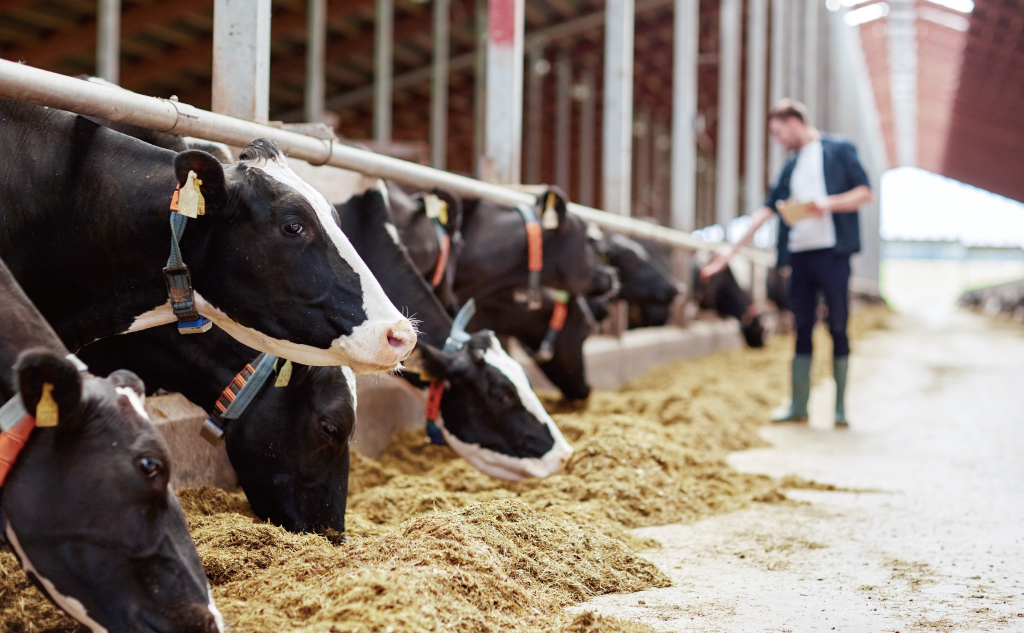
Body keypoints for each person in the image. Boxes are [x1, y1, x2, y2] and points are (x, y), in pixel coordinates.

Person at [701, 99, 872, 427]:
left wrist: (827, 204)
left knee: (838, 325)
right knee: (801, 326)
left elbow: (865, 192)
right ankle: (799, 405)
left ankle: (839, 408)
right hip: (799, 256)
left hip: (833, 253)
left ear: (794, 121)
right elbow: (766, 210)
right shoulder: (790, 165)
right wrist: (729, 252)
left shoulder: (839, 150)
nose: (777, 139)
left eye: (778, 132)